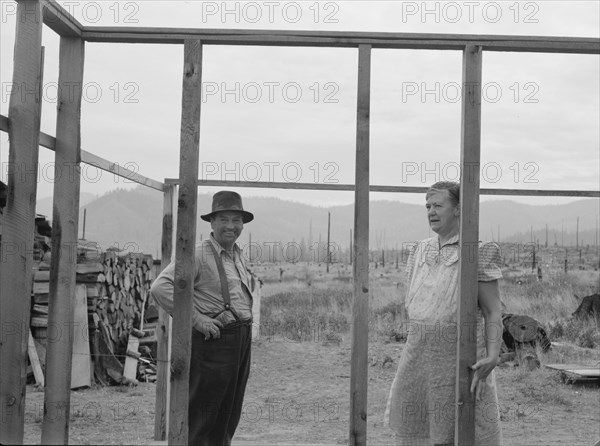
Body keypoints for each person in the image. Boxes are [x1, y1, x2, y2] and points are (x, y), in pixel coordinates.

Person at [385, 181, 504, 445]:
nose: (431, 212)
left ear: (459, 209)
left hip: (459, 364)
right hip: (418, 359)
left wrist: (493, 355)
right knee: (417, 431)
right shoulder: (419, 250)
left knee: (465, 430)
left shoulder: (478, 250)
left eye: (438, 205)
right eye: (428, 206)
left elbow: (492, 310)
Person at [150, 190, 255, 446]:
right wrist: (197, 319)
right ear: (212, 222)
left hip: (239, 340)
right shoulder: (198, 253)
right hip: (214, 343)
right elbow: (161, 287)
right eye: (224, 219)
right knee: (202, 415)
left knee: (228, 413)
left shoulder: (236, 253)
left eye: (236, 220)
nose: (231, 226)